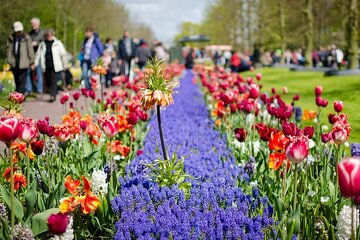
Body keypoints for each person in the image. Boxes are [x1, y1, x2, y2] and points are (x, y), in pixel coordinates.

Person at [35, 29, 68, 102]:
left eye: (51, 35)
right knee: (48, 81)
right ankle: (52, 93)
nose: (49, 36)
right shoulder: (42, 44)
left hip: (55, 66)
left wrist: (65, 64)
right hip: (46, 66)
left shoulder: (58, 43)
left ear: (53, 35)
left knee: (53, 80)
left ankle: (52, 95)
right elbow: (38, 55)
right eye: (48, 35)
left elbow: (63, 54)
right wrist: (35, 63)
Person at [7, 21, 35, 94]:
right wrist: (9, 61)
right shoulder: (11, 38)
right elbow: (9, 50)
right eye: (17, 31)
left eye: (19, 31)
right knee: (16, 80)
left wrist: (32, 62)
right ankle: (18, 95)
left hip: (24, 63)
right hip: (14, 63)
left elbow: (30, 50)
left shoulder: (27, 38)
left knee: (22, 81)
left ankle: (20, 96)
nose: (18, 33)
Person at [27, 17, 45, 95]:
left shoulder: (43, 33)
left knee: (39, 73)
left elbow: (44, 43)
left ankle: (39, 90)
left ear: (38, 24)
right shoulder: (30, 33)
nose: (32, 25)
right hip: (30, 56)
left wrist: (36, 43)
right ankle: (29, 89)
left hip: (39, 57)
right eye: (31, 23)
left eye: (33, 23)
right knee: (27, 72)